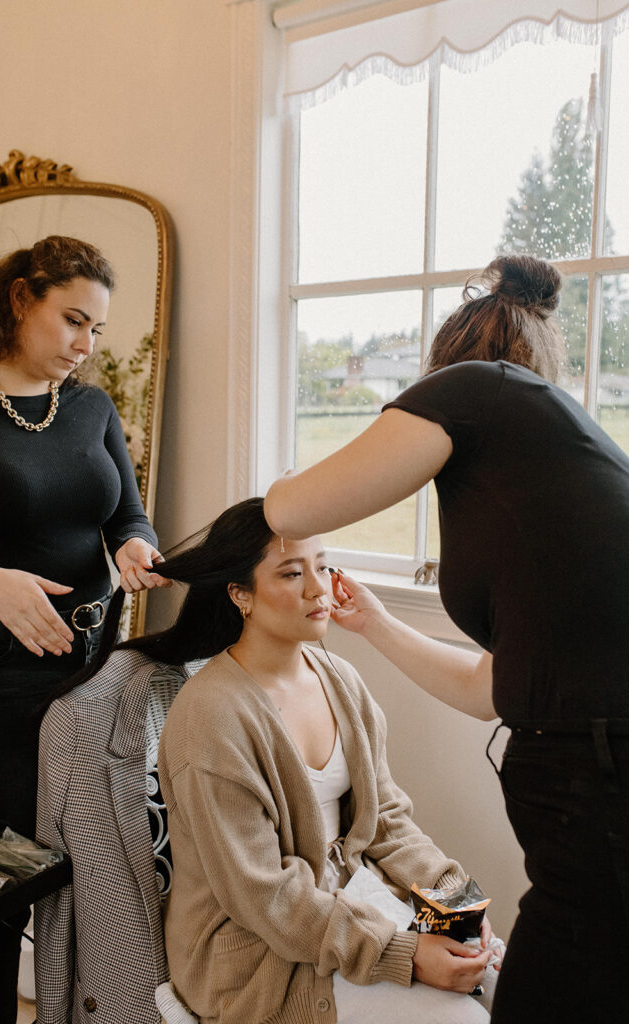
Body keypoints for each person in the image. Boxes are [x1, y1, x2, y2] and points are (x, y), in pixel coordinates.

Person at [264, 254, 629, 1022]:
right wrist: (376, 624)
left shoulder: (477, 391)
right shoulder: (565, 470)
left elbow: (292, 510)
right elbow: (487, 689)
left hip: (597, 781)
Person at [79, 497, 497, 1024]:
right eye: (291, 573)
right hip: (257, 956)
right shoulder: (212, 716)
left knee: (504, 978)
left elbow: (387, 820)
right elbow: (263, 894)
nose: (318, 588)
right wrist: (403, 954)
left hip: (346, 909)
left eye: (322, 566)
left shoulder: (339, 678)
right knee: (462, 1019)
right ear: (241, 595)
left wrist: (454, 898)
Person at [0, 235, 169, 1024]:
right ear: (19, 300)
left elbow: (125, 511)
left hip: (92, 664)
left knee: (95, 862)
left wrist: (135, 545)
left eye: (97, 330)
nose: (85, 344)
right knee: (4, 873)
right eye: (73, 320)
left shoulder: (91, 406)